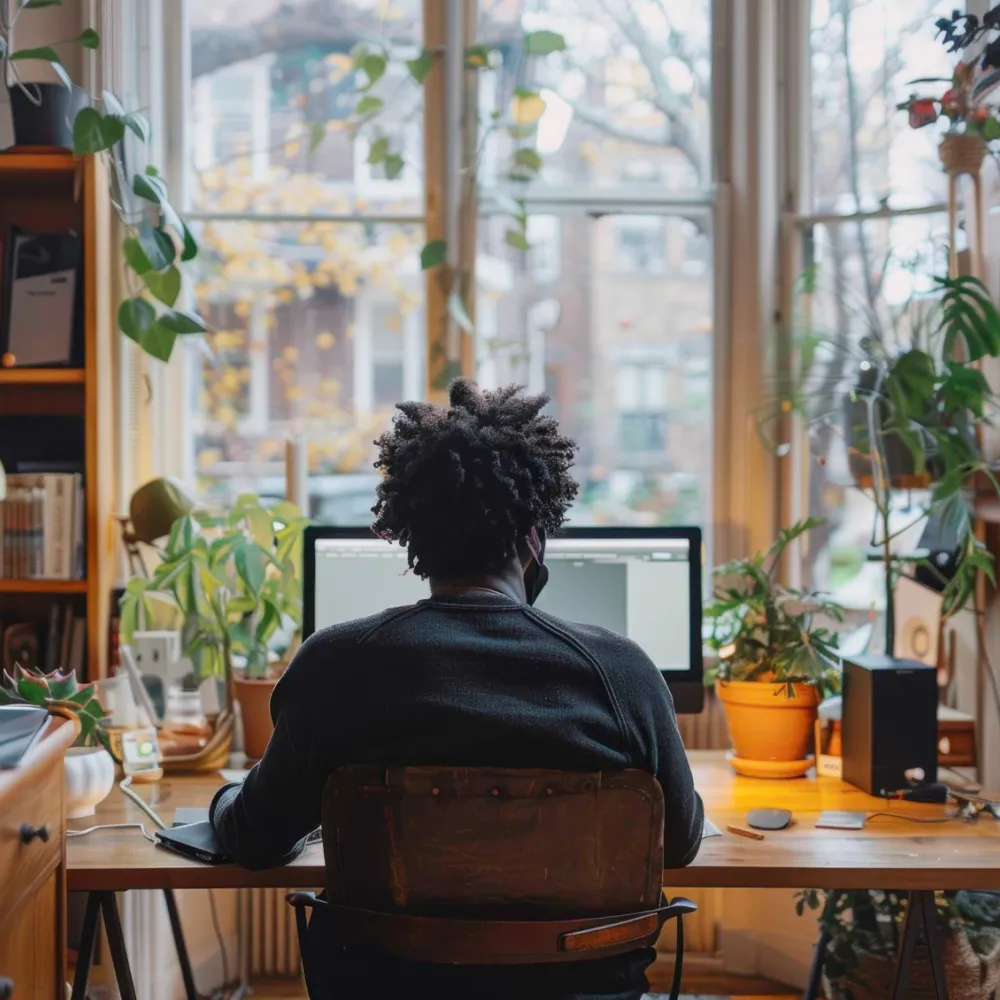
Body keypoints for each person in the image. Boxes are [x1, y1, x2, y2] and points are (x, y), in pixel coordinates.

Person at [211, 379, 704, 999]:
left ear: (411, 539)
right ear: (534, 536)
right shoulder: (622, 672)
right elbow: (681, 843)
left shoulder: (338, 664)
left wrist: (224, 800)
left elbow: (255, 839)